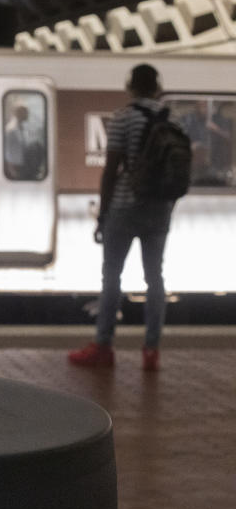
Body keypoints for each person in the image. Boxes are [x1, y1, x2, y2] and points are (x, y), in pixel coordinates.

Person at [69, 63, 176, 371]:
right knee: (155, 278)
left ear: (131, 86)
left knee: (112, 276)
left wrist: (103, 215)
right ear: (157, 86)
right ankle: (151, 350)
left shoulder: (122, 118)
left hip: (125, 209)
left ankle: (103, 345)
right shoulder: (173, 120)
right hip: (159, 210)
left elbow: (111, 171)